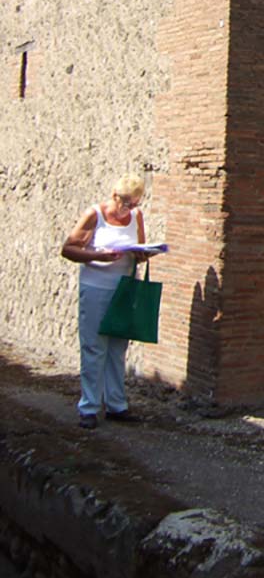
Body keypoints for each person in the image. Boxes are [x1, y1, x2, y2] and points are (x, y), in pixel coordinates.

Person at [62, 173, 147, 429]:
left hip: (124, 288)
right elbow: (68, 248)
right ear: (114, 196)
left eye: (135, 203)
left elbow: (140, 249)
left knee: (117, 347)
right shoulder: (95, 215)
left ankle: (116, 405)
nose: (129, 208)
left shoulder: (135, 217)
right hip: (96, 287)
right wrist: (98, 255)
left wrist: (143, 253)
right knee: (94, 346)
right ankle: (88, 406)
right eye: (126, 203)